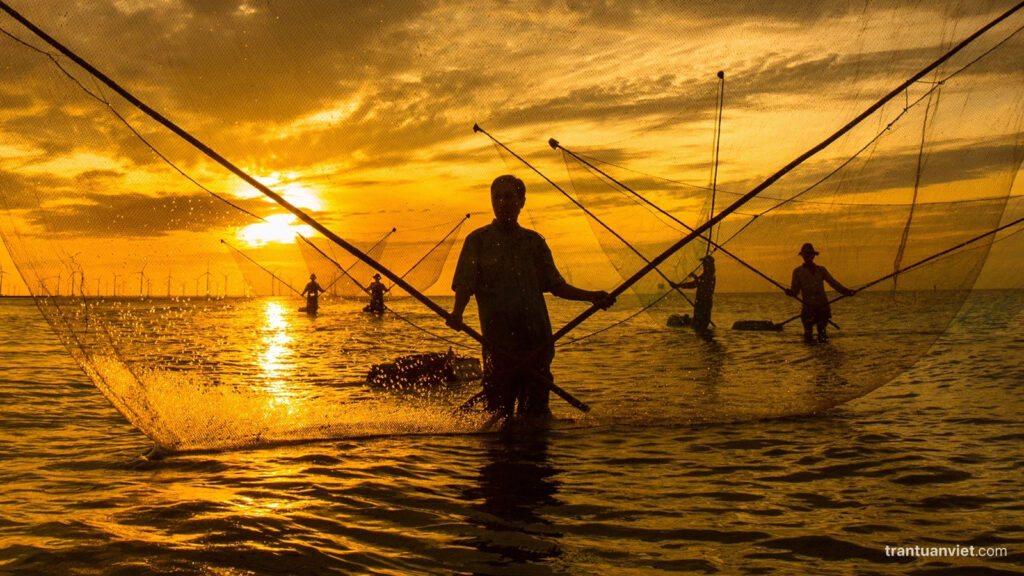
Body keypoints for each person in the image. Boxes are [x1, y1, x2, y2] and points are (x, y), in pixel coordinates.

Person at [448, 175, 615, 421]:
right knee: (498, 413)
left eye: (509, 197)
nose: (502, 202)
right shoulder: (478, 240)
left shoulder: (533, 242)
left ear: (521, 201)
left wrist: (592, 297)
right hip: (499, 343)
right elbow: (465, 283)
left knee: (536, 416)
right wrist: (457, 314)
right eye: (497, 197)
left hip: (536, 340)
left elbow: (556, 286)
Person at [785, 243, 854, 342]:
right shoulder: (797, 272)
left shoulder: (821, 270)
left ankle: (821, 354)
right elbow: (795, 292)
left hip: (823, 307)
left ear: (813, 255)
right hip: (808, 308)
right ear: (802, 256)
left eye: (809, 254)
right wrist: (790, 293)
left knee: (822, 335)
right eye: (806, 254)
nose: (808, 256)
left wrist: (846, 291)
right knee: (808, 336)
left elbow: (833, 283)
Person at [672, 255, 715, 334]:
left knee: (701, 325)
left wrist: (694, 277)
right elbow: (694, 284)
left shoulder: (710, 276)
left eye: (705, 263)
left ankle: (705, 342)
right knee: (698, 325)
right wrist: (679, 285)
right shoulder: (705, 275)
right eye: (703, 263)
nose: (703, 265)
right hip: (700, 302)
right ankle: (703, 344)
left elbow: (700, 284)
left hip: (704, 303)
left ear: (709, 265)